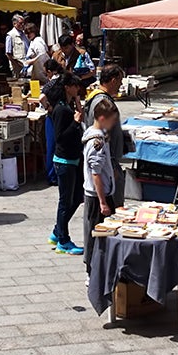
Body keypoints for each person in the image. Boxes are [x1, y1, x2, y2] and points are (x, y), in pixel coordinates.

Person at [82, 98, 119, 273]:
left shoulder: (95, 133)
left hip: (100, 193)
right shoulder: (97, 141)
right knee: (97, 235)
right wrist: (103, 202)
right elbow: (95, 173)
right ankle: (93, 271)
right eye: (113, 120)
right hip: (98, 196)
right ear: (103, 118)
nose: (114, 124)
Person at [83, 66, 127, 211]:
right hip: (107, 162)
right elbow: (104, 135)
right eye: (120, 81)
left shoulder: (97, 98)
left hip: (107, 160)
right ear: (113, 80)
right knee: (113, 205)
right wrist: (112, 163)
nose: (121, 85)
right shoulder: (101, 101)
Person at [49, 75, 85, 255]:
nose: (78, 88)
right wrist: (75, 123)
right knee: (65, 201)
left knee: (77, 196)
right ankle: (63, 239)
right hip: (64, 161)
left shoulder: (68, 106)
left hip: (73, 159)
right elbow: (60, 137)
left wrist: (78, 105)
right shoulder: (61, 110)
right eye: (75, 86)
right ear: (67, 87)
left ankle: (58, 230)